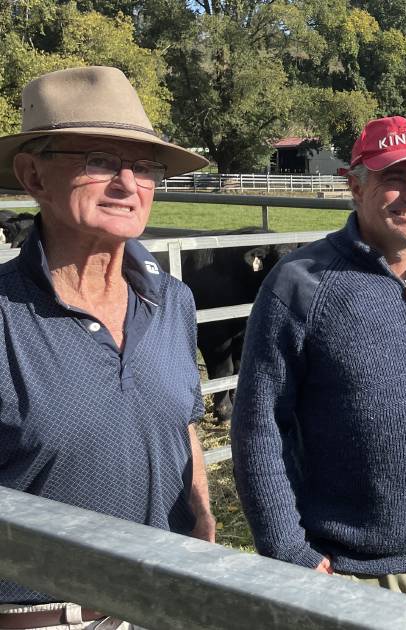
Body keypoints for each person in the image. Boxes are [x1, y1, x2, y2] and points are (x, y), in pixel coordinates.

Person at [231, 115, 406, 607]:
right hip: (348, 571)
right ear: (354, 187)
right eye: (393, 180)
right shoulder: (301, 284)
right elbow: (259, 427)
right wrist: (287, 549)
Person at [0, 66, 214, 629]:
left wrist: (204, 520)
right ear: (34, 176)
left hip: (164, 603)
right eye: (98, 160)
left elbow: (181, 423)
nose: (128, 183)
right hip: (41, 618)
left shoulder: (172, 302)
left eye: (145, 167)